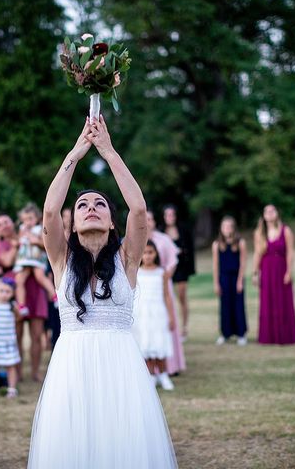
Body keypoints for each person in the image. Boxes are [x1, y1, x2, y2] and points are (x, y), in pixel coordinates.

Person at [28, 116, 177, 468]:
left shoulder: (128, 259)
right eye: (82, 205)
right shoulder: (61, 261)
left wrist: (108, 152)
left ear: (112, 222)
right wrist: (75, 154)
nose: (91, 208)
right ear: (73, 224)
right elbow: (49, 210)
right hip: (71, 367)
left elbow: (138, 210)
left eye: (100, 205)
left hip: (121, 368)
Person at [0, 213, 48, 382]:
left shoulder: (30, 232)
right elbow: (7, 262)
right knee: (16, 333)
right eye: (0, 224)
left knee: (36, 334)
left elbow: (46, 248)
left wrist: (30, 238)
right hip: (15, 288)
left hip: (36, 286)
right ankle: (16, 372)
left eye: (6, 221)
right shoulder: (0, 244)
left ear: (13, 222)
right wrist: (16, 245)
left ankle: (35, 372)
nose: (4, 225)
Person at [132, 240, 175, 391]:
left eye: (150, 252)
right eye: (145, 253)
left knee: (159, 343)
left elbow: (167, 295)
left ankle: (163, 374)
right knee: (146, 344)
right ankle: (151, 376)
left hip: (158, 312)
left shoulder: (162, 272)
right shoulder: (136, 272)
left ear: (156, 254)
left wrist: (171, 316)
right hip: (142, 313)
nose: (148, 256)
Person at [147, 211, 186, 375]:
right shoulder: (133, 239)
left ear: (155, 221)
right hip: (143, 285)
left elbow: (173, 260)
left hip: (161, 282)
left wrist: (165, 275)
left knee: (166, 320)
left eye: (150, 219)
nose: (147, 222)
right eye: (144, 219)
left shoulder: (163, 239)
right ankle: (149, 367)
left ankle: (171, 366)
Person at [252, 205, 295, 345]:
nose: (269, 213)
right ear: (263, 215)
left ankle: (285, 336)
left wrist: (289, 271)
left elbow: (290, 252)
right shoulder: (259, 233)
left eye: (272, 210)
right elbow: (257, 254)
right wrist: (255, 273)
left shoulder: (286, 230)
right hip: (266, 269)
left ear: (277, 213)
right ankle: (268, 336)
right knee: (267, 302)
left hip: (281, 269)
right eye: (266, 211)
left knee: (283, 301)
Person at [14, 203, 58, 315]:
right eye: (25, 219)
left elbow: (44, 244)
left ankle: (54, 295)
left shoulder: (39, 229)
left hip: (36, 258)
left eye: (30, 219)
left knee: (40, 276)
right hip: (24, 259)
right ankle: (21, 305)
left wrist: (35, 240)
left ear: (37, 218)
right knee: (19, 279)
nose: (27, 222)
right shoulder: (22, 228)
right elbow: (19, 240)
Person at [212, 216, 248, 346]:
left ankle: (241, 334)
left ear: (233, 228)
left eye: (229, 226)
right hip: (224, 278)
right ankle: (225, 334)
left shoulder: (240, 243)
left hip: (236, 277)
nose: (227, 229)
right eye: (224, 226)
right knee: (225, 306)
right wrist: (216, 283)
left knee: (238, 305)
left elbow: (243, 263)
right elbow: (216, 266)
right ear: (221, 229)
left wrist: (240, 281)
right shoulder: (216, 245)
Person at [162, 205, 195, 339]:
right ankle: (169, 326)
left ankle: (184, 327)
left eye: (172, 214)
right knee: (167, 298)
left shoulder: (183, 230)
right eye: (167, 215)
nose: (170, 217)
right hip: (167, 268)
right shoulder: (161, 232)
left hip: (181, 267)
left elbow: (190, 250)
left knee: (181, 296)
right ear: (164, 217)